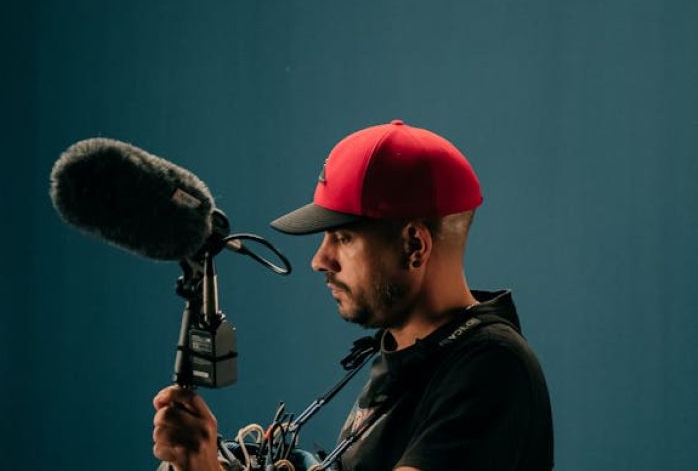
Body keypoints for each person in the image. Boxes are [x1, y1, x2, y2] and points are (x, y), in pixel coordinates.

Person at [153, 120, 554, 471]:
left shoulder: (492, 369)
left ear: (414, 245)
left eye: (342, 238)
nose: (319, 260)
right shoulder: (406, 350)